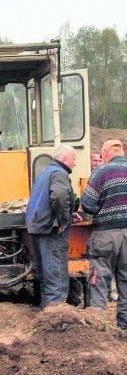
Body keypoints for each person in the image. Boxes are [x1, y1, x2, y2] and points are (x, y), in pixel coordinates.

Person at [26, 144, 81, 307]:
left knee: (46, 276)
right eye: (74, 159)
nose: (75, 163)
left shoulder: (46, 172)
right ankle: (55, 316)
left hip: (38, 226)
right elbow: (58, 196)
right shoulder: (59, 173)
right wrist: (64, 220)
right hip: (51, 230)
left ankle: (46, 313)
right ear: (64, 159)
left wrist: (69, 213)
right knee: (56, 276)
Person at [81, 138, 127, 331]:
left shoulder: (102, 171)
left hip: (105, 236)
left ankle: (98, 330)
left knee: (99, 281)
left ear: (107, 152)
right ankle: (124, 329)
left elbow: (88, 203)